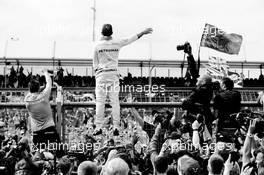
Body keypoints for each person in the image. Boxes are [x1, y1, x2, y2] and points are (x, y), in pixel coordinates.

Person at [93, 24, 153, 135]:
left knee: (100, 102)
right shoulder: (117, 42)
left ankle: (98, 127)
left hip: (101, 75)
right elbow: (131, 39)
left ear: (102, 33)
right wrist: (143, 32)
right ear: (112, 33)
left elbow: (95, 64)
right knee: (115, 102)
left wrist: (98, 74)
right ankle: (116, 126)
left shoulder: (97, 45)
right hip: (113, 74)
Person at [24, 69, 60, 149]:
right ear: (38, 88)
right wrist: (45, 73)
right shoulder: (44, 96)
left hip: (37, 132)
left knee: (38, 156)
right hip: (49, 129)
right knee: (59, 153)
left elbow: (31, 92)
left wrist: (37, 88)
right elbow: (49, 83)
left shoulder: (27, 100)